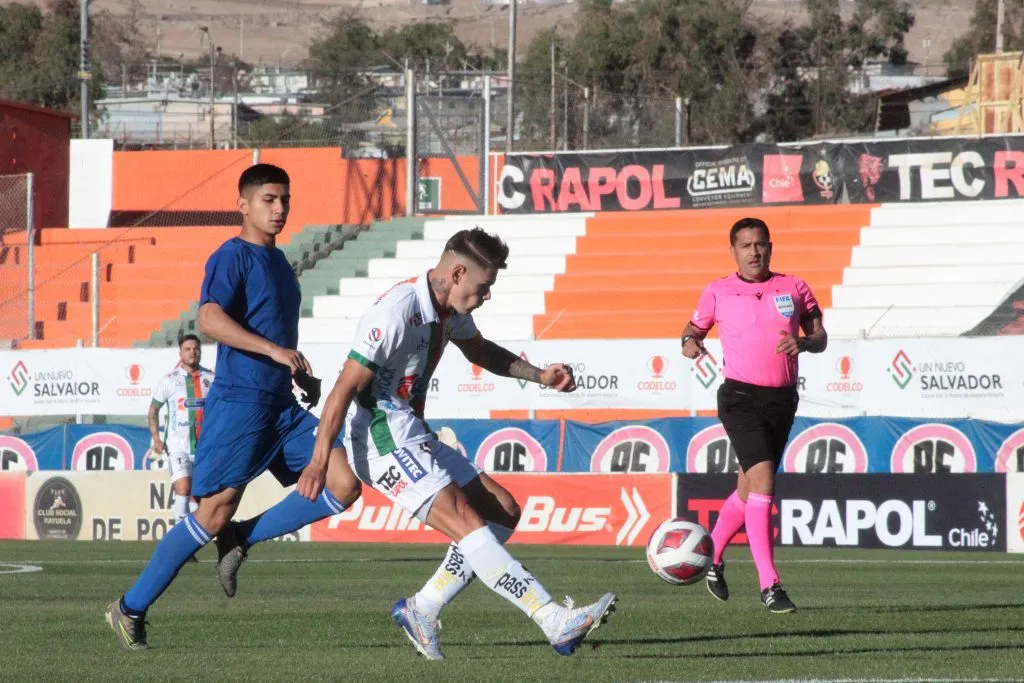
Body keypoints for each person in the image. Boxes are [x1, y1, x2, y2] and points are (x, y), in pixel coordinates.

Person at [300, 227, 617, 660]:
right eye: (483, 287)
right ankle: (551, 618)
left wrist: (539, 375)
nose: (486, 296)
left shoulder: (449, 309)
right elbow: (341, 391)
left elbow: (481, 351)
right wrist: (320, 462)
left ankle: (422, 608)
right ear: (458, 271)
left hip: (412, 432)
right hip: (382, 442)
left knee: (501, 511)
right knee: (467, 520)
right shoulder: (395, 313)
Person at [106, 164, 361, 651]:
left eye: (284, 199)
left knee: (344, 484)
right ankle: (129, 607)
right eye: (268, 199)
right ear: (242, 204)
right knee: (213, 514)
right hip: (241, 405)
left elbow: (276, 334)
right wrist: (272, 351)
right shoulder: (232, 256)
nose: (280, 208)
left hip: (282, 406)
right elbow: (207, 318)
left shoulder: (282, 263)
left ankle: (243, 537)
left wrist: (295, 369)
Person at [680, 217, 827, 614]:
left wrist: (805, 344)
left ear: (770, 247)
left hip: (782, 399)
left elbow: (820, 337)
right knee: (764, 481)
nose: (754, 252)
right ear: (733, 251)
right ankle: (769, 584)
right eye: (746, 245)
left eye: (760, 244)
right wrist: (690, 345)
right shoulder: (717, 291)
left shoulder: (794, 287)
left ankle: (712, 558)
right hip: (739, 397)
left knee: (748, 490)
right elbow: (690, 332)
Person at [148, 334, 215, 542]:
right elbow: (153, 411)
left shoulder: (211, 379)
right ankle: (180, 539)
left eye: (195, 348)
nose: (192, 352)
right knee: (184, 488)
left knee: (200, 494)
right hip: (177, 446)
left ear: (200, 352)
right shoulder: (169, 380)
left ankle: (199, 536)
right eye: (187, 349)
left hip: (205, 447)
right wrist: (156, 438)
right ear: (180, 353)